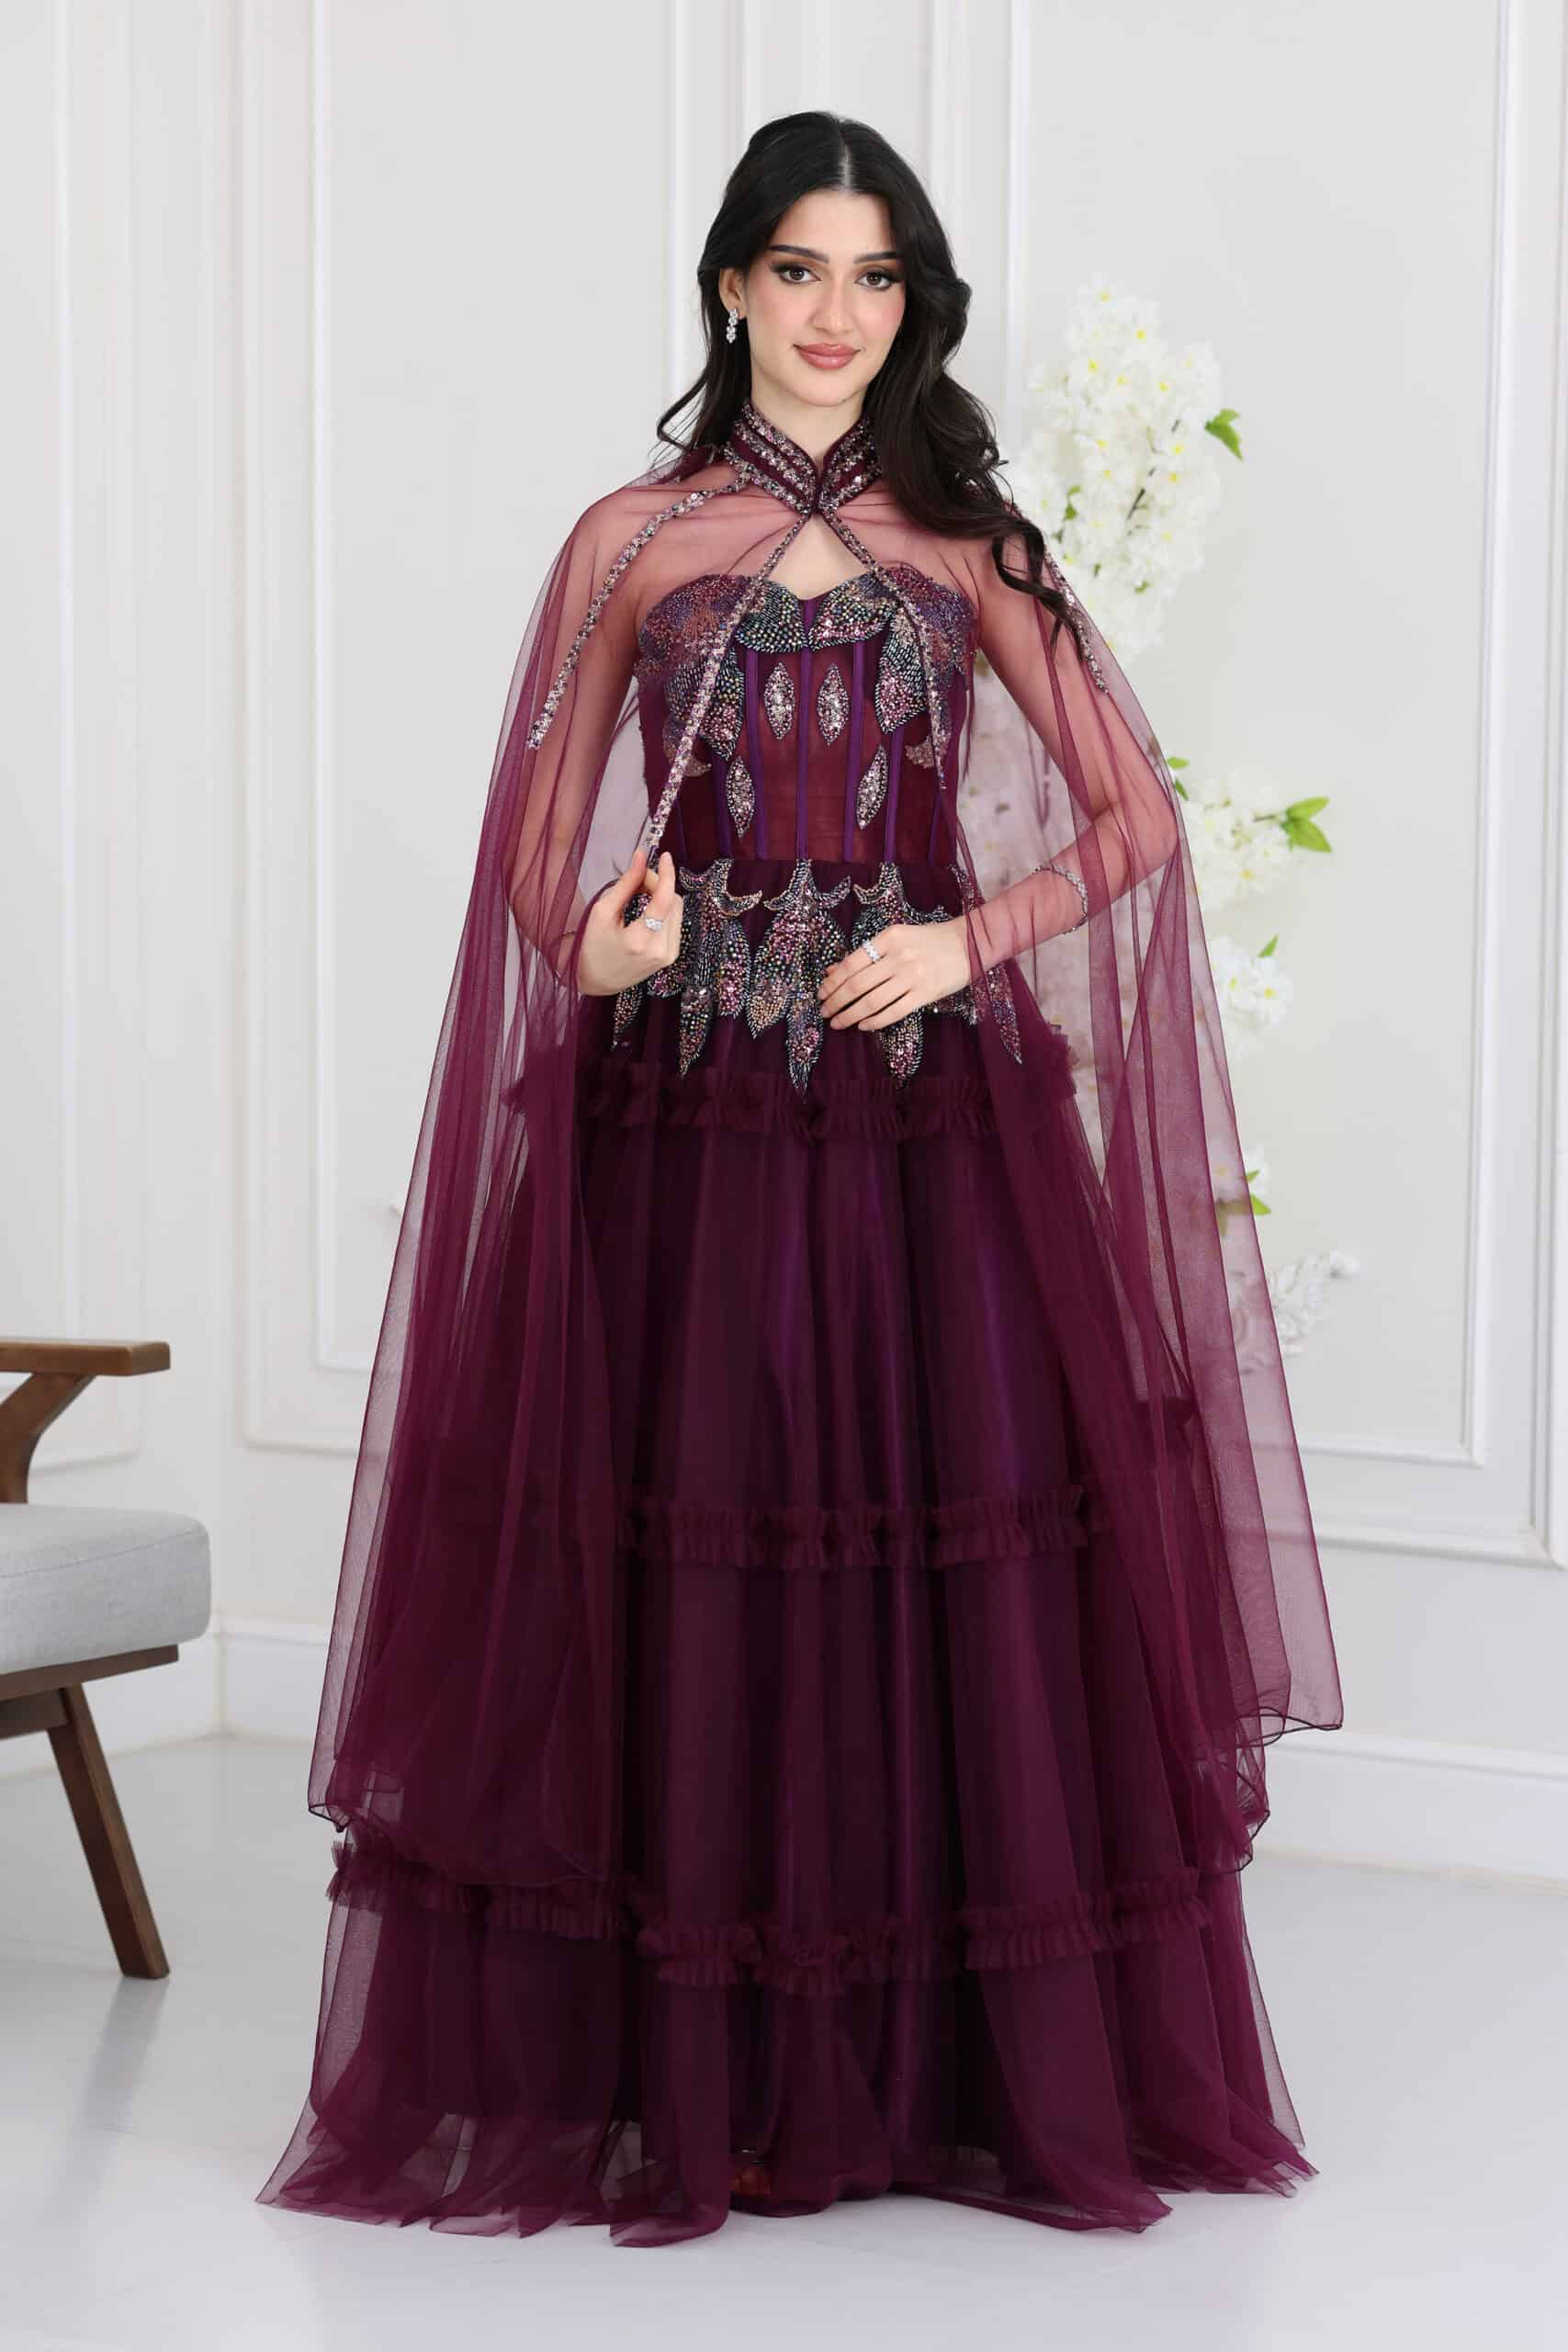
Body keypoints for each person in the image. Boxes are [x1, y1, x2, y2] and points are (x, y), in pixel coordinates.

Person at [255, 110, 1342, 2249]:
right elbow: (531, 842)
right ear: (729, 286)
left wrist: (964, 939)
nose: (835, 314)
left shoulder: (971, 544)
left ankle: (924, 2068)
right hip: (680, 1122)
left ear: (905, 304)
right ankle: (692, 2071)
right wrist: (594, 945)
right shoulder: (630, 538)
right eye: (796, 269)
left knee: (939, 1582)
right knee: (690, 1557)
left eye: (873, 277)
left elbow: (1130, 817)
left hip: (928, 1125)